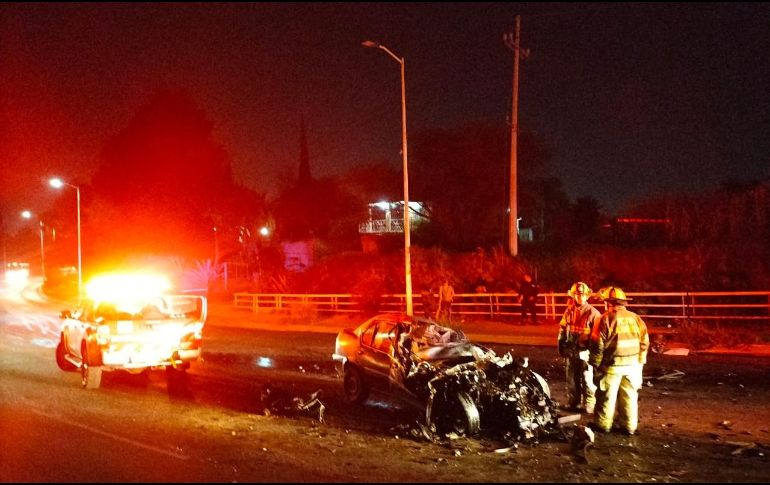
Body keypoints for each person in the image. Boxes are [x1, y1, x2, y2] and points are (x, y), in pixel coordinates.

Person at [589, 287, 649, 435]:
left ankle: (603, 425)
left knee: (606, 397)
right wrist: (640, 362)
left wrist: (595, 364)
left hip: (611, 367)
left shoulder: (603, 319)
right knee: (629, 397)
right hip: (633, 367)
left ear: (608, 303)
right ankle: (629, 427)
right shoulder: (636, 318)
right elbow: (644, 342)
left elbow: (597, 345)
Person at [558, 282, 602, 413]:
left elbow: (597, 336)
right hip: (571, 351)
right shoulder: (569, 311)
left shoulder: (593, 313)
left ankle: (589, 403)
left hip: (586, 351)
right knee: (572, 378)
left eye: (582, 294)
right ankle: (573, 402)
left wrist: (593, 353)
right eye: (577, 294)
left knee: (588, 378)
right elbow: (562, 328)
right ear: (573, 295)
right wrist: (561, 345)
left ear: (587, 296)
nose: (580, 297)